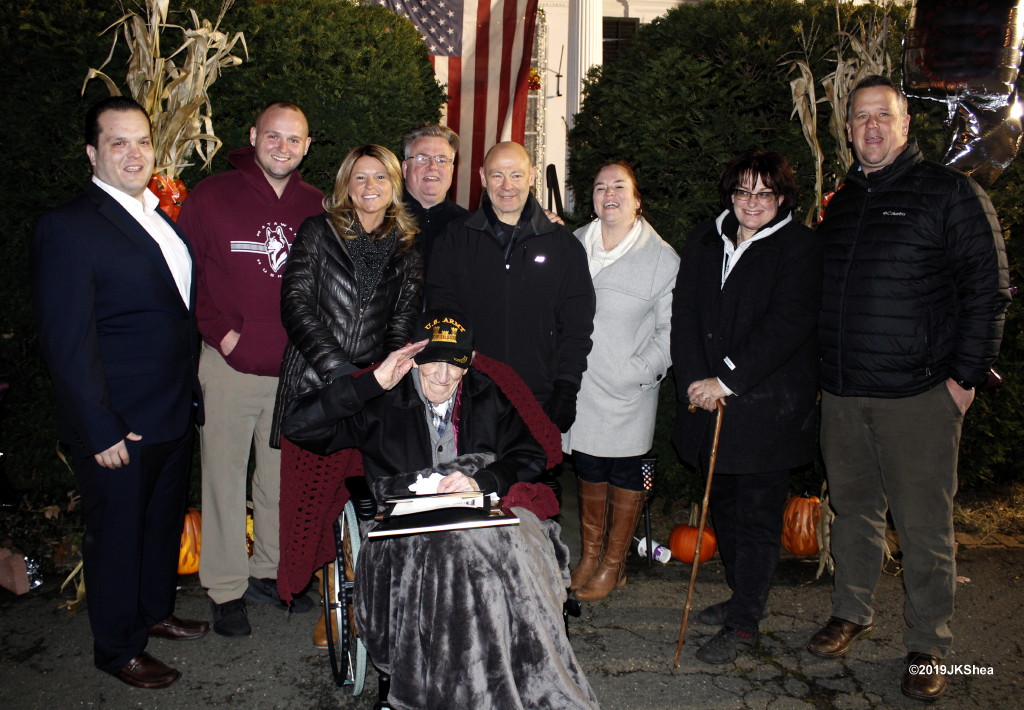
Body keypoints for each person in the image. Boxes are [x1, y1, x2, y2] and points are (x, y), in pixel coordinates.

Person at [281, 309, 600, 710]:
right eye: (433, 361)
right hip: (407, 536)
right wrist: (368, 384)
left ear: (468, 365)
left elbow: (530, 454)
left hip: (481, 525)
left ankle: (505, 680)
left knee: (502, 552)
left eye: (456, 363)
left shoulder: (487, 394)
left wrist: (483, 480)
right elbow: (298, 427)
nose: (444, 375)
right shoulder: (381, 399)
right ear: (413, 357)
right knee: (456, 558)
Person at [807, 76, 1010, 701]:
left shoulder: (951, 195)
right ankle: (851, 610)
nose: (871, 127)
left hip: (919, 397)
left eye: (883, 117)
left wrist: (964, 380)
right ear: (847, 130)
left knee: (924, 527)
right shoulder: (839, 204)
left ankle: (929, 643)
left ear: (904, 126)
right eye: (860, 118)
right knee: (854, 514)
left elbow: (989, 290)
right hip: (843, 396)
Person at [31, 96, 207, 689]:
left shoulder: (157, 217)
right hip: (120, 423)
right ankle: (116, 646)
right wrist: (98, 425)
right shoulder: (68, 226)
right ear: (92, 153)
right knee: (117, 537)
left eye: (142, 142)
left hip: (172, 410)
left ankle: (153, 613)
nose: (134, 154)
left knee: (159, 526)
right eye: (118, 143)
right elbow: (66, 341)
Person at [176, 101, 323, 637]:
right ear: (254, 135)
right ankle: (224, 587)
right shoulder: (212, 196)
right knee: (223, 477)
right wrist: (221, 332)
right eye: (274, 136)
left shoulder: (318, 204)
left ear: (307, 147)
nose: (283, 147)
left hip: (294, 372)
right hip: (230, 367)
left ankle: (268, 572)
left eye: (294, 139)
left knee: (281, 478)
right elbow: (185, 277)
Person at [672, 149, 822, 664]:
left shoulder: (799, 247)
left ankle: (744, 624)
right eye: (742, 191)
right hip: (710, 400)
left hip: (766, 408)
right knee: (726, 508)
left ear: (782, 198)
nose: (752, 202)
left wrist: (726, 380)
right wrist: (695, 380)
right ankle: (742, 594)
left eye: (764, 193)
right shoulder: (704, 239)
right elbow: (685, 311)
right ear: (730, 194)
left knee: (757, 516)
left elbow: (785, 326)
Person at [271, 143, 423, 645]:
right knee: (312, 504)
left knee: (361, 504)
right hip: (315, 386)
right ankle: (328, 602)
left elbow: (401, 323)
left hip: (374, 394)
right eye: (360, 177)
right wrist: (339, 371)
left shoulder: (407, 246)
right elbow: (294, 303)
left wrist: (383, 378)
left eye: (380, 177)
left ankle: (358, 600)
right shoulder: (319, 232)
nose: (370, 186)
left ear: (394, 186)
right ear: (345, 185)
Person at [564, 162, 679, 602]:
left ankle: (616, 563)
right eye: (599, 187)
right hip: (582, 385)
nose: (608, 194)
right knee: (589, 467)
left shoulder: (660, 258)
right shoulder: (574, 244)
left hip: (628, 390)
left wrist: (639, 371)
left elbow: (670, 332)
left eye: (619, 187)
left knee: (625, 472)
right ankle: (590, 557)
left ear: (636, 199)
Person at [426, 141, 596, 431]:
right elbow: (442, 313)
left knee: (533, 478)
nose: (507, 186)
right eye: (497, 175)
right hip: (471, 395)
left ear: (532, 175)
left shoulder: (563, 245)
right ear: (482, 177)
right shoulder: (455, 240)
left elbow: (577, 326)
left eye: (516, 175)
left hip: (539, 397)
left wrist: (566, 387)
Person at [400, 124, 468, 276]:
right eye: (422, 158)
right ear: (405, 169)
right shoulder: (383, 223)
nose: (432, 167)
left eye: (442, 160)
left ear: (452, 169)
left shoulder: (470, 228)